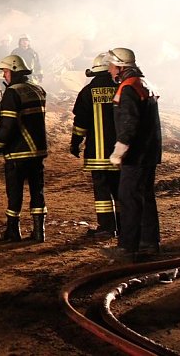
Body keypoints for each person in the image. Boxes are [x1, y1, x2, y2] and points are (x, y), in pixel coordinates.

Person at [105, 48, 162, 261]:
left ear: (120, 66)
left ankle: (128, 248)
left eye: (111, 66)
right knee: (145, 197)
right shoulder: (143, 84)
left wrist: (119, 151)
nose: (110, 70)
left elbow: (129, 124)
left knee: (129, 198)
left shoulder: (128, 87)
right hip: (149, 152)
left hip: (136, 155)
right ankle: (149, 242)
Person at [0, 54, 48, 242]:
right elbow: (18, 110)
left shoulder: (12, 92)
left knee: (15, 192)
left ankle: (13, 231)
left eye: (5, 71)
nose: (4, 75)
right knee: (37, 191)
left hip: (18, 151)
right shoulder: (37, 90)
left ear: (13, 71)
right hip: (37, 151)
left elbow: (7, 126)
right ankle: (39, 232)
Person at [70, 53, 119, 239]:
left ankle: (107, 227)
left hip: (97, 154)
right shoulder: (121, 88)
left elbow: (80, 123)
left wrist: (75, 143)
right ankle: (123, 225)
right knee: (119, 190)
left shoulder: (87, 91)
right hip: (119, 153)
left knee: (102, 192)